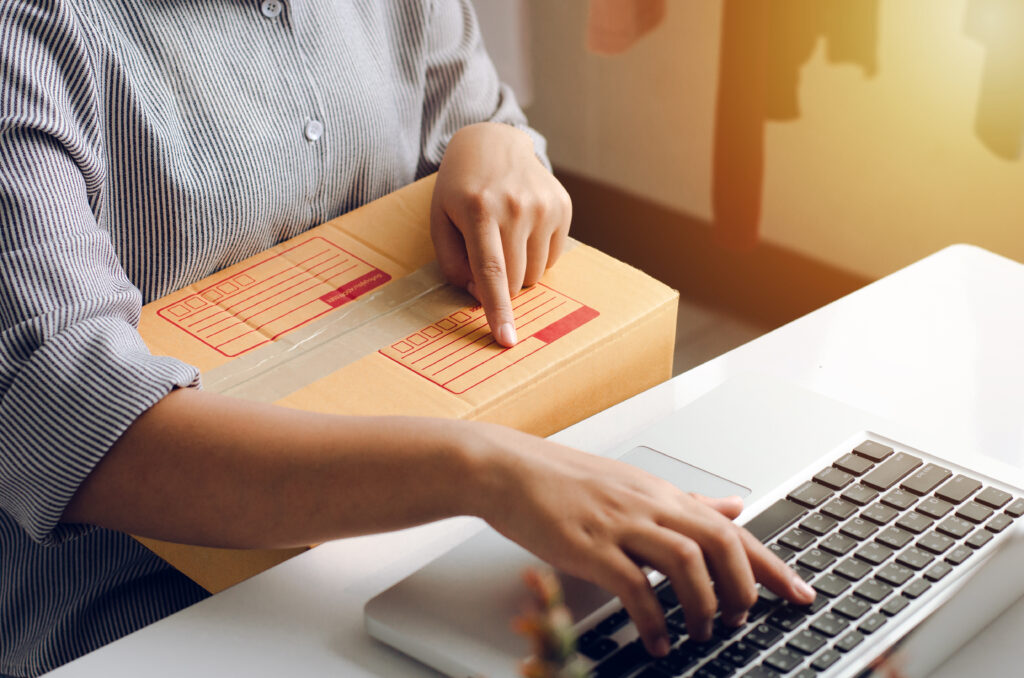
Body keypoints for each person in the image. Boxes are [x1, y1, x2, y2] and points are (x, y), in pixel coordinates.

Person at [0, 1, 814, 675]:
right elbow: (82, 432)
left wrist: (498, 148)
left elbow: (488, 129)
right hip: (152, 615)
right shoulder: (27, 36)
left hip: (442, 542)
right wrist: (485, 469)